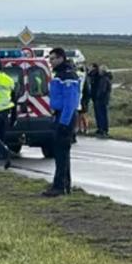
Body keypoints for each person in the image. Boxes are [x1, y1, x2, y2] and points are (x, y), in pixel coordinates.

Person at [43, 47, 81, 197]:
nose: (50, 62)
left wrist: (63, 123)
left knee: (61, 153)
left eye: (52, 59)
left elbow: (70, 102)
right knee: (61, 154)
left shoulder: (67, 76)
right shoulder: (60, 74)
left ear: (60, 58)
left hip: (65, 117)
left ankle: (59, 186)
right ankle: (64, 185)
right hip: (60, 115)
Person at [94, 65, 113, 137]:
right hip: (104, 99)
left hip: (102, 100)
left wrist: (98, 97)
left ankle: (103, 129)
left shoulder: (104, 79)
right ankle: (103, 129)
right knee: (103, 114)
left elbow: (102, 90)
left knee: (101, 115)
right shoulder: (106, 78)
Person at [79, 66, 92, 135]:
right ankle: (82, 128)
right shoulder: (86, 78)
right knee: (81, 115)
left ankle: (86, 128)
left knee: (83, 115)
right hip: (83, 99)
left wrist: (85, 100)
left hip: (83, 99)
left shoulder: (85, 79)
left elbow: (87, 91)